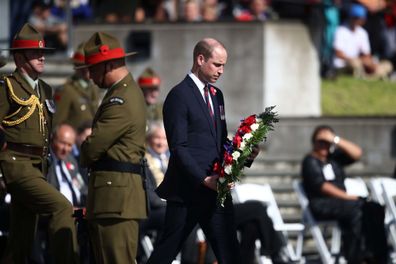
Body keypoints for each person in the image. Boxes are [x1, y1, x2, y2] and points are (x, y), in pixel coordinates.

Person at [146, 38, 259, 264]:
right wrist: (203, 179)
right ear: (200, 59)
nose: (221, 71)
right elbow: (179, 148)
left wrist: (244, 155)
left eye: (224, 65)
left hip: (215, 190)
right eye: (217, 64)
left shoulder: (217, 95)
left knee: (230, 253)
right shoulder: (179, 95)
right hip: (188, 191)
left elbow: (220, 143)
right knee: (166, 251)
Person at [0, 23, 78, 263]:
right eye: (36, 53)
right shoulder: (7, 87)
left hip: (38, 166)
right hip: (16, 165)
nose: (42, 57)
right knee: (62, 207)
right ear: (20, 57)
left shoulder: (44, 88)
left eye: (43, 52)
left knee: (21, 240)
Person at [79, 31, 147, 264]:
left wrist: (84, 146)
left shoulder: (122, 98)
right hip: (114, 198)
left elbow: (93, 148)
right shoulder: (120, 93)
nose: (89, 76)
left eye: (92, 68)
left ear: (107, 65)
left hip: (116, 200)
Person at [301, 125, 388, 264]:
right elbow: (323, 186)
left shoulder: (333, 159)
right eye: (321, 141)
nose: (324, 144)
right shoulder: (310, 161)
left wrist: (334, 139)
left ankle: (376, 254)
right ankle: (357, 257)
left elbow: (357, 153)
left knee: (373, 207)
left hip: (343, 203)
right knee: (356, 209)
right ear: (314, 142)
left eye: (327, 142)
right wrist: (348, 197)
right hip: (322, 204)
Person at [333, 3, 393, 79]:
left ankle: (372, 75)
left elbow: (366, 54)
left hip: (359, 62)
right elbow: (338, 53)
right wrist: (357, 59)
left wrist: (368, 63)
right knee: (355, 63)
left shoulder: (362, 33)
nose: (357, 20)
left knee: (386, 65)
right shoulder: (341, 30)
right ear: (351, 17)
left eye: (360, 18)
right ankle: (370, 76)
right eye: (356, 18)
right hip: (344, 64)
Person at [53, 41, 101, 130]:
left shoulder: (94, 88)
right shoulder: (66, 90)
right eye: (83, 66)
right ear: (77, 66)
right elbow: (57, 123)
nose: (87, 69)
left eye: (90, 65)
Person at [48, 123, 87, 207]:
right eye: (62, 143)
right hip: (57, 211)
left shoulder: (70, 161)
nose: (65, 149)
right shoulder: (46, 162)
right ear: (53, 139)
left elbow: (81, 187)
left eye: (69, 145)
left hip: (77, 211)